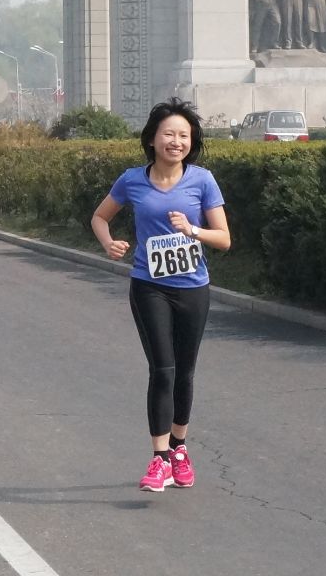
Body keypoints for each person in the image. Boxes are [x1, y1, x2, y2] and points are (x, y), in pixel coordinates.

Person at [88, 99, 231, 492]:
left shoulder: (202, 181)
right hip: (149, 286)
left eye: (184, 135)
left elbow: (224, 239)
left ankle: (180, 449)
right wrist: (108, 243)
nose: (177, 141)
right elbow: (100, 216)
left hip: (192, 289)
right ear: (152, 139)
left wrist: (193, 230)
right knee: (162, 369)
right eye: (169, 134)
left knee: (184, 372)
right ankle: (159, 458)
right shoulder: (132, 179)